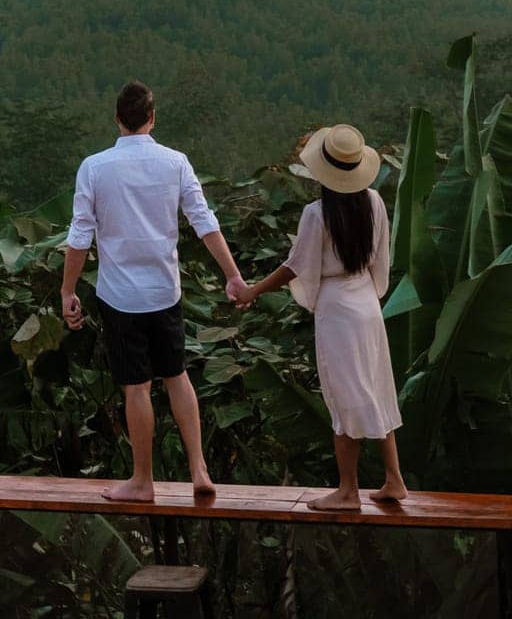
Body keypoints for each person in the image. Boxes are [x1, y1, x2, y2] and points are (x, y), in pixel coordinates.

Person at [61, 79, 247, 502]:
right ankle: (199, 468)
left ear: (116, 119)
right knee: (177, 376)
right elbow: (204, 221)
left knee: (137, 387)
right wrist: (233, 275)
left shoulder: (94, 167)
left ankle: (142, 480)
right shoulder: (175, 162)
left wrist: (67, 290)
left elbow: (79, 236)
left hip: (120, 297)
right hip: (166, 292)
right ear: (152, 117)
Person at [233, 123, 407, 511]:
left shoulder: (317, 213)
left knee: (344, 397)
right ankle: (394, 478)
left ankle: (348, 490)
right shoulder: (374, 202)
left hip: (338, 312)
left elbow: (295, 266)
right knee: (376, 387)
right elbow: (381, 258)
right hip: (367, 304)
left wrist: (252, 291)